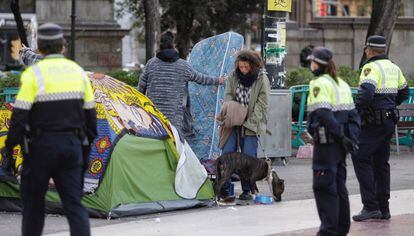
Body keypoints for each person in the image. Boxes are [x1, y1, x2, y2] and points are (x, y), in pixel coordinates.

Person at [2, 23, 96, 236]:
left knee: (34, 206)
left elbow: (19, 117)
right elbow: (91, 120)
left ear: (40, 48)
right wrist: (84, 152)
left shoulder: (33, 75)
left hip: (39, 150)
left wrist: (9, 150)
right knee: (74, 205)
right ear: (63, 46)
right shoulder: (79, 73)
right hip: (71, 147)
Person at [351, 35, 409, 221]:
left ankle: (370, 206)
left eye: (366, 48)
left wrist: (355, 112)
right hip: (389, 121)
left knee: (360, 157)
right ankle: (384, 208)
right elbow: (405, 92)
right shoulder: (394, 67)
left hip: (373, 122)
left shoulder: (370, 67)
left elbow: (366, 94)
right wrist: (390, 104)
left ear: (369, 49)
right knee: (381, 163)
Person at [306, 47, 360, 236]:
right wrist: (349, 140)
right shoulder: (342, 84)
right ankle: (341, 230)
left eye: (311, 62)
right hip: (340, 146)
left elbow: (323, 113)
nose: (310, 65)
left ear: (317, 64)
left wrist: (339, 136)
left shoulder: (319, 83)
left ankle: (328, 232)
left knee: (324, 188)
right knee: (339, 187)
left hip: (327, 145)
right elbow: (354, 116)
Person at [138, 31, 225, 140]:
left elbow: (140, 90)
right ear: (173, 45)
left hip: (153, 117)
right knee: (175, 147)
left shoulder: (151, 64)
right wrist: (219, 80)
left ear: (160, 46)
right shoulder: (183, 66)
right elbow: (202, 79)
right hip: (174, 119)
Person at [219, 50, 270, 201]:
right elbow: (228, 95)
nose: (243, 70)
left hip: (251, 124)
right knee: (227, 154)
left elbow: (262, 103)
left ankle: (247, 190)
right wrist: (232, 112)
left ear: (253, 66)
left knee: (248, 157)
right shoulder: (233, 76)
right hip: (232, 122)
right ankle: (226, 189)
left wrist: (250, 120)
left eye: (246, 67)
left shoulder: (261, 79)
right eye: (240, 66)